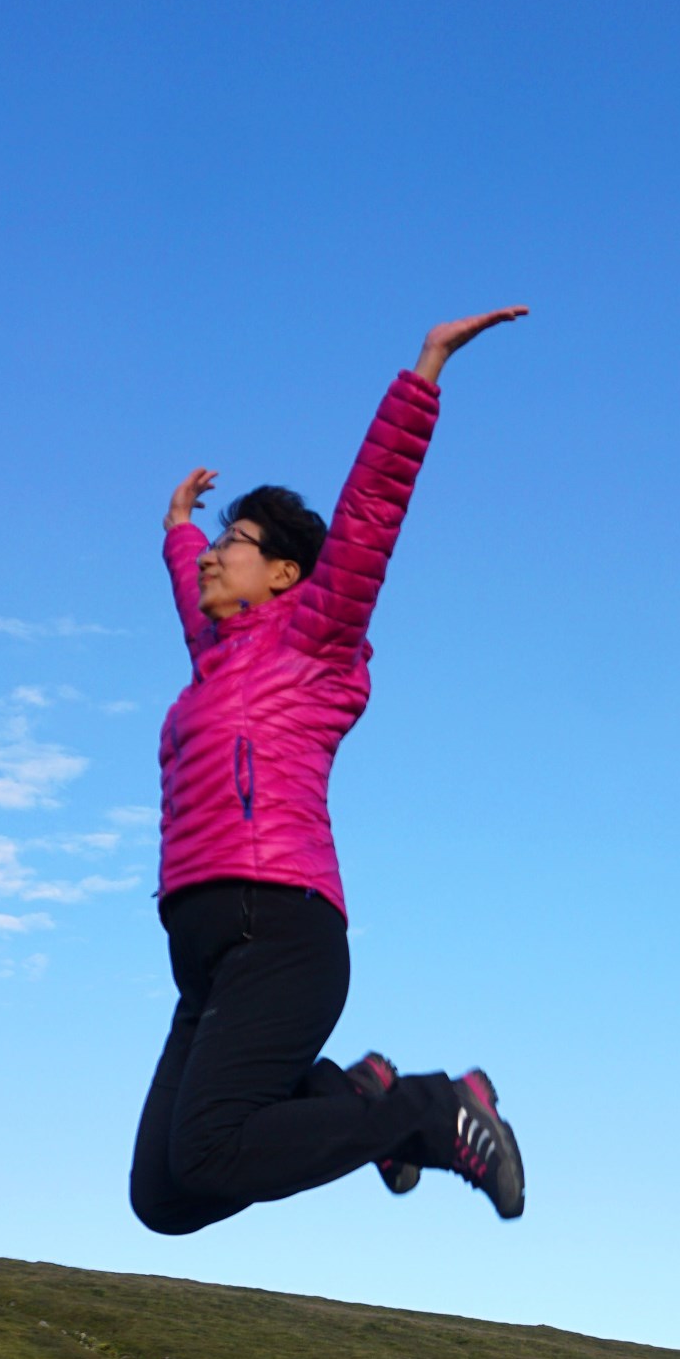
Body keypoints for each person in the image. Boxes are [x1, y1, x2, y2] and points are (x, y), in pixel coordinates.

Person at [129, 309, 529, 1238]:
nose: (213, 560)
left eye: (235, 545)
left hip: (280, 927)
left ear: (284, 575)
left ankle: (431, 1110)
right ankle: (356, 1096)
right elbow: (189, 586)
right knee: (167, 1197)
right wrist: (177, 528)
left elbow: (370, 514)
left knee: (214, 1150)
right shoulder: (215, 660)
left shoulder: (318, 639)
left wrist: (423, 373)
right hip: (204, 958)